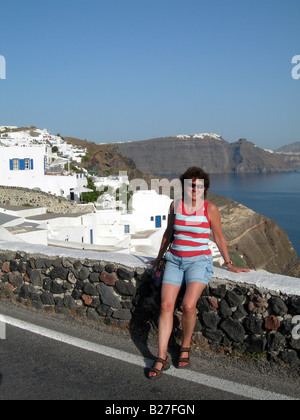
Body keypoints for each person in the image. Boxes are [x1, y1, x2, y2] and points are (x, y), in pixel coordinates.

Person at [147, 167, 250, 379]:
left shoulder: (209, 209)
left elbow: (219, 237)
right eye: (191, 185)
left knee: (188, 305)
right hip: (174, 260)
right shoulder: (175, 205)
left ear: (205, 188)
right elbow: (168, 234)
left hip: (199, 261)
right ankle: (161, 356)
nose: (195, 188)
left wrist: (229, 263)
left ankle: (185, 345)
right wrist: (158, 259)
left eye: (199, 185)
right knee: (166, 305)